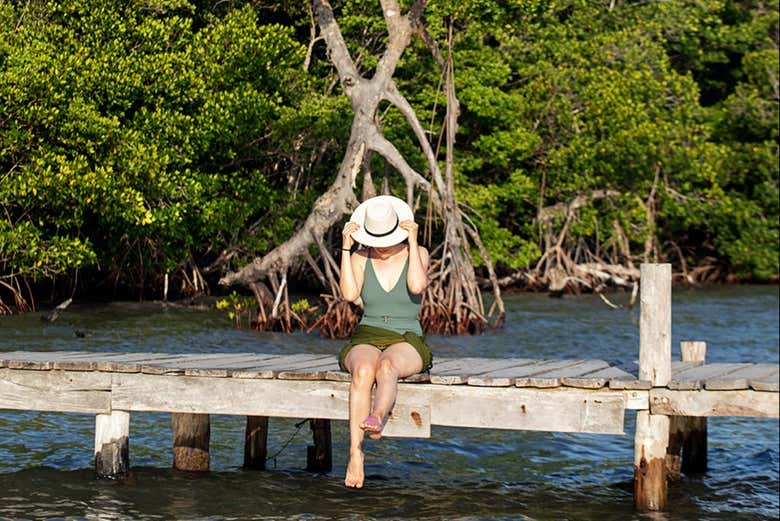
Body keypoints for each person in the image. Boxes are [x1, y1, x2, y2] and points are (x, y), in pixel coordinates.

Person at [338, 195, 433, 489]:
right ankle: (356, 453)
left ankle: (377, 417)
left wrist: (413, 240)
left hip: (407, 337)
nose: (381, 246)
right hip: (368, 333)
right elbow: (349, 295)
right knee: (364, 371)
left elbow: (417, 286)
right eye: (376, 241)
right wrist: (346, 248)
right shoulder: (359, 257)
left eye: (387, 240)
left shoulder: (419, 253)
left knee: (388, 366)